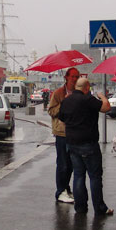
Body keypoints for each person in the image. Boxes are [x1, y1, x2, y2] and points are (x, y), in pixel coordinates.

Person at [58, 77, 113, 216]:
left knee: (78, 175)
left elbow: (61, 119)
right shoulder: (88, 99)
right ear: (87, 88)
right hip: (89, 144)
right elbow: (106, 108)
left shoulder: (67, 100)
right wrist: (102, 96)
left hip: (72, 144)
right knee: (94, 176)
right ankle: (99, 208)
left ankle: (80, 207)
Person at [47, 68, 79, 204]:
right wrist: (64, 102)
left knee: (71, 164)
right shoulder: (59, 93)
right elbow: (51, 111)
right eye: (73, 76)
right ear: (66, 77)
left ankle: (66, 188)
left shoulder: (79, 93)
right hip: (61, 133)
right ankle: (60, 191)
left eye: (77, 76)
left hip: (75, 132)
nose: (75, 79)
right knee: (63, 164)